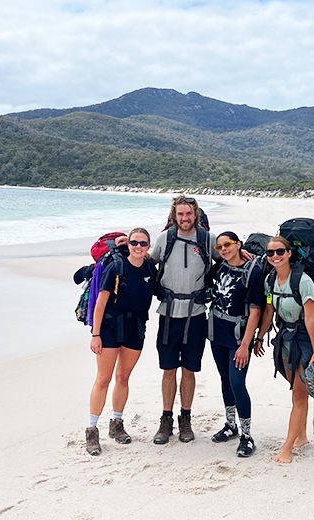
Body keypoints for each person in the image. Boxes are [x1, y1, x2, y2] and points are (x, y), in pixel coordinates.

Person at [256, 235, 314, 464]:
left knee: (298, 394)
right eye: (271, 253)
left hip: (305, 339)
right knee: (297, 390)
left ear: (289, 253)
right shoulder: (270, 281)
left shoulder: (303, 281)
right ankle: (301, 436)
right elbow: (268, 311)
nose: (275, 256)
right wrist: (260, 337)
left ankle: (287, 448)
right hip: (285, 338)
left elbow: (310, 319)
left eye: (280, 252)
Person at [149, 195, 217, 445]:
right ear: (173, 216)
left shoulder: (207, 240)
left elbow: (227, 262)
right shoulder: (164, 239)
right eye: (180, 214)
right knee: (168, 369)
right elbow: (146, 264)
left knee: (189, 369)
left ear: (195, 214)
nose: (185, 218)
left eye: (189, 214)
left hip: (196, 314)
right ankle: (166, 420)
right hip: (168, 313)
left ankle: (185, 419)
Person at [85, 228, 155, 456]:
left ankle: (116, 424)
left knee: (123, 377)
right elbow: (100, 302)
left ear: (148, 246)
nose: (138, 246)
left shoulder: (149, 268)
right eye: (134, 242)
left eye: (143, 243)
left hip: (135, 328)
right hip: (109, 328)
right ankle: (92, 431)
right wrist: (96, 334)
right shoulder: (116, 267)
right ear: (129, 244)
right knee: (103, 379)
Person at [207, 231, 265, 457]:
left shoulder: (253, 271)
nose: (224, 249)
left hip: (239, 336)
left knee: (237, 382)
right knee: (225, 379)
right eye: (220, 246)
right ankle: (231, 425)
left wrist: (245, 345)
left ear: (238, 244)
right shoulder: (219, 265)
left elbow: (255, 310)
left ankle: (247, 436)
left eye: (228, 244)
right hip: (217, 331)